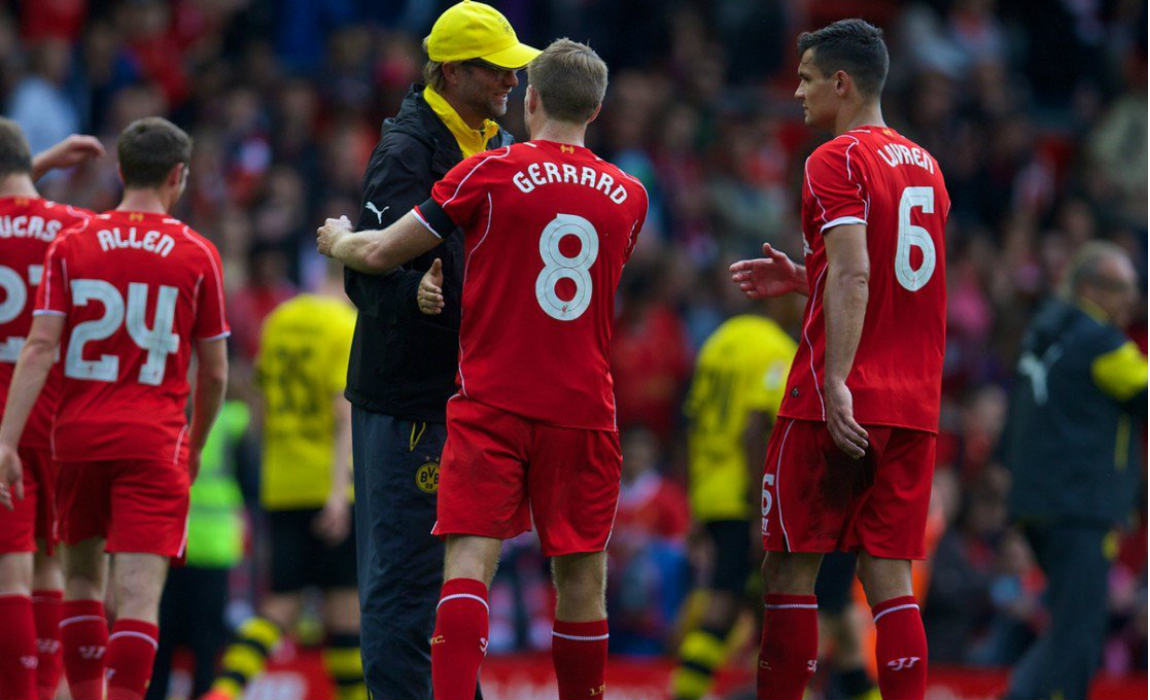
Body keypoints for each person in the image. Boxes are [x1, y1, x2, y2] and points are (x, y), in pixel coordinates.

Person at [317, 38, 648, 700]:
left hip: (491, 398)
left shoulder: (488, 173)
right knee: (582, 575)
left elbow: (382, 251)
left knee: (468, 564)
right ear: (598, 107)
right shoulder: (630, 196)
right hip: (582, 407)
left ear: (530, 100)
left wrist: (337, 240)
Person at [728, 19, 950, 700]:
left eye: (806, 79)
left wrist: (834, 381)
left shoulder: (835, 159)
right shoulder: (928, 168)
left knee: (789, 570)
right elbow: (897, 278)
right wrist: (806, 276)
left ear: (841, 83)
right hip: (912, 403)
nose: (796, 92)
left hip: (840, 397)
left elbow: (856, 275)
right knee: (888, 577)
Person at [341, 3, 536, 696]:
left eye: (517, 67)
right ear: (453, 71)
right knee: (407, 588)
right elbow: (362, 270)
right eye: (499, 68)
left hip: (468, 394)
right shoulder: (406, 151)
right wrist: (409, 297)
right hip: (410, 399)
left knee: (458, 580)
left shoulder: (492, 142)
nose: (513, 79)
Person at [0, 116, 230, 700]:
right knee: (136, 599)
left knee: (78, 580)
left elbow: (41, 347)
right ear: (178, 176)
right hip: (154, 443)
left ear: (120, 170)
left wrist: (6, 438)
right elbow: (217, 372)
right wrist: (196, 445)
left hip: (74, 438)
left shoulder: (72, 244)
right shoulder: (198, 253)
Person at [205, 263, 363, 700]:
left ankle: (223, 691)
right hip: (330, 485)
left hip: (283, 482)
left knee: (280, 604)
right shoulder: (344, 324)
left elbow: (259, 403)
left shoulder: (279, 321)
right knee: (347, 613)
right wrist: (337, 490)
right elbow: (341, 410)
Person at [1002, 241, 1147, 700]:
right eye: (1121, 288)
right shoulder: (1102, 342)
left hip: (1035, 505)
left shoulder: (1043, 333)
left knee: (1068, 627)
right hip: (1080, 508)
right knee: (1078, 638)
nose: (1131, 300)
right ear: (1087, 287)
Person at [0, 121, 105, 700]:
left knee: (9, 569)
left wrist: (36, 161)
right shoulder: (80, 229)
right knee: (54, 568)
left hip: (2, 424)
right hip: (64, 414)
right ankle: (52, 689)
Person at [671, 312, 796, 700]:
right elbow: (755, 427)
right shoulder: (775, 348)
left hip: (712, 491)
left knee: (751, 598)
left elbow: (690, 424)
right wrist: (764, 509)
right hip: (745, 496)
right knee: (734, 598)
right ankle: (686, 692)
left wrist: (694, 501)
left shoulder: (715, 345)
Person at [147, 398, 252, 700]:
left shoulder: (231, 419)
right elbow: (251, 485)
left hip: (176, 547)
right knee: (197, 647)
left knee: (167, 644)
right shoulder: (233, 420)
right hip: (194, 548)